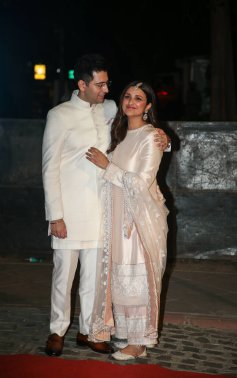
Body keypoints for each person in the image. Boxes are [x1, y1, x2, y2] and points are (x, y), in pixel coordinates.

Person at [42, 54, 169, 357]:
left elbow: (143, 131)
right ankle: (57, 330)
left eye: (108, 84)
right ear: (82, 84)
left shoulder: (108, 109)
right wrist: (55, 215)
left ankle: (89, 330)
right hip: (69, 213)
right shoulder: (59, 115)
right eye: (100, 84)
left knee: (94, 280)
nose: (106, 90)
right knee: (64, 276)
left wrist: (166, 139)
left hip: (104, 212)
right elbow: (49, 168)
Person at [86, 81, 169, 360]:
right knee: (120, 278)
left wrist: (107, 166)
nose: (131, 101)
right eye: (128, 96)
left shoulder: (151, 137)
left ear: (148, 107)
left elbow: (141, 182)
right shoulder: (120, 135)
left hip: (139, 220)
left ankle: (139, 342)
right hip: (117, 218)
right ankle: (128, 336)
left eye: (139, 98)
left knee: (138, 279)